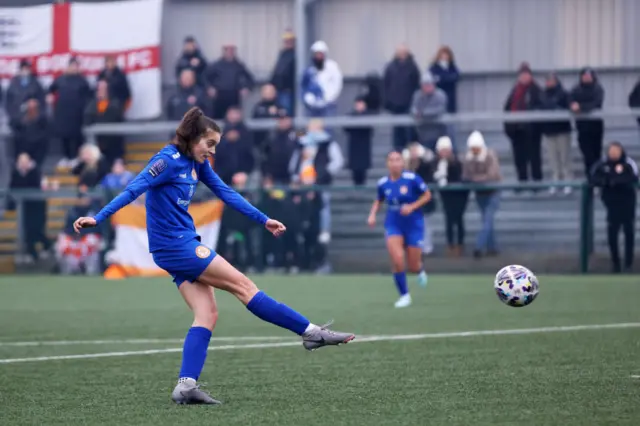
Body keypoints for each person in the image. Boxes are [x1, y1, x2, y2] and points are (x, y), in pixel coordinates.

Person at [72, 107, 355, 405]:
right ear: (193, 138)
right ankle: (311, 332)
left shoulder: (198, 164)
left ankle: (185, 386)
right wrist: (99, 217)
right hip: (178, 247)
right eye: (209, 144)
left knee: (207, 314)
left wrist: (263, 219)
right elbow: (133, 189)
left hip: (176, 247)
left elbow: (226, 192)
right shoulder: (166, 160)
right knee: (244, 287)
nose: (212, 150)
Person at [367, 151, 432, 309]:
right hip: (393, 223)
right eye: (391, 160)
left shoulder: (412, 179)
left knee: (413, 265)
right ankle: (404, 295)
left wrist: (412, 207)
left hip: (413, 223)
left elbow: (427, 195)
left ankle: (419, 269)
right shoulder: (383, 183)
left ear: (403, 163)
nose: (395, 163)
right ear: (387, 164)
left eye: (398, 160)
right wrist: (372, 214)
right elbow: (379, 199)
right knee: (397, 258)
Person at [590, 142, 638, 273]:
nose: (614, 153)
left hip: (628, 204)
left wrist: (614, 181)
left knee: (629, 232)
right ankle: (615, 264)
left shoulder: (628, 164)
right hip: (611, 205)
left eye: (616, 151)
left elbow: (632, 177)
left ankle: (628, 263)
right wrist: (607, 181)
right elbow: (594, 178)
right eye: (612, 151)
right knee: (612, 234)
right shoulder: (602, 164)